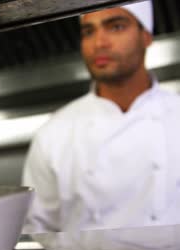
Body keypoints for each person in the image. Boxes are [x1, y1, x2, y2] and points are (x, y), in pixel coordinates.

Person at [22, 0, 180, 233]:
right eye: (88, 31)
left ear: (146, 36)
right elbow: (36, 231)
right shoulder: (53, 134)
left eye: (116, 26)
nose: (99, 43)